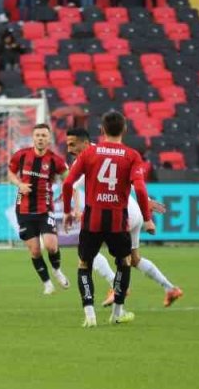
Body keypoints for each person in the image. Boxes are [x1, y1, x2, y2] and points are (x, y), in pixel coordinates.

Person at [64, 128, 183, 309]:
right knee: (134, 259)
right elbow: (132, 180)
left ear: (85, 143)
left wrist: (76, 209)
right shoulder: (112, 152)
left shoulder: (89, 156)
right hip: (133, 211)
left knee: (89, 253)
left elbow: (71, 186)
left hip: (118, 214)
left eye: (73, 145)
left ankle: (115, 287)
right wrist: (147, 201)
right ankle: (170, 288)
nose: (70, 150)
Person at [61, 111, 154, 328]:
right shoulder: (132, 155)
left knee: (84, 264)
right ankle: (117, 314)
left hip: (92, 220)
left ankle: (90, 315)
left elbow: (67, 184)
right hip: (117, 221)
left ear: (102, 130)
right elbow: (140, 189)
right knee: (124, 262)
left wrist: (66, 211)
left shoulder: (89, 153)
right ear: (125, 129)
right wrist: (148, 219)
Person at [8, 123, 69, 295]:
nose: (40, 138)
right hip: (23, 209)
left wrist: (66, 192)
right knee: (35, 250)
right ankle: (47, 284)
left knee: (51, 246)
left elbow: (68, 179)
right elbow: (11, 173)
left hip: (45, 208)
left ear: (49, 139)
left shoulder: (55, 160)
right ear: (33, 138)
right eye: (38, 135)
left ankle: (57, 270)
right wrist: (19, 184)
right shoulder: (21, 155)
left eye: (44, 135)